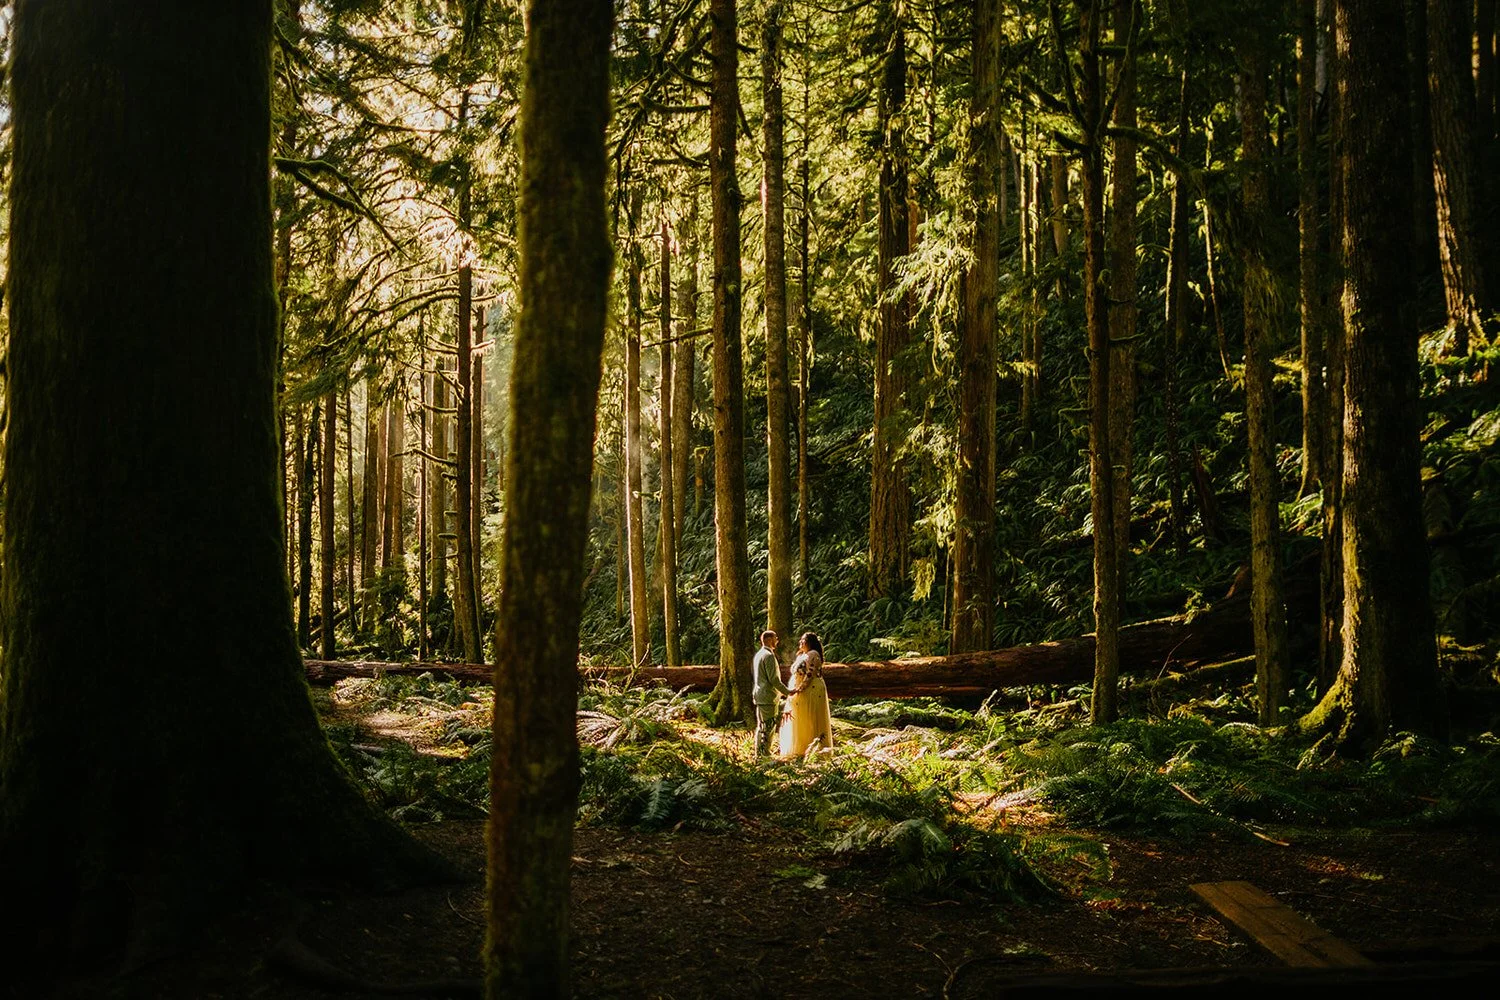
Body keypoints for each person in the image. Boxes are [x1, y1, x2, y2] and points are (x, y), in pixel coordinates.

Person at [779, 632, 834, 758]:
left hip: (812, 689)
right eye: (800, 640)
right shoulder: (803, 655)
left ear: (810, 642)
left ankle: (814, 748)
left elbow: (810, 673)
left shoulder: (813, 654)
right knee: (802, 716)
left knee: (810, 716)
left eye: (803, 640)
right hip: (803, 689)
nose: (800, 643)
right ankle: (802, 748)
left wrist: (800, 688)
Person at [751, 630, 792, 758]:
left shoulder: (759, 654)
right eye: (775, 638)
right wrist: (788, 692)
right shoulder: (768, 656)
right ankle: (764, 755)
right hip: (767, 696)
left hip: (760, 695)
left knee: (762, 726)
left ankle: (760, 753)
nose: (777, 640)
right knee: (768, 728)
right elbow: (773, 679)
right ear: (769, 640)